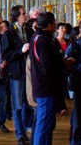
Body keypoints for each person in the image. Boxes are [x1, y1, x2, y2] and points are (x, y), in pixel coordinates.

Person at [30, 11, 70, 145]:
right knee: (43, 125)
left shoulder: (42, 38)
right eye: (54, 23)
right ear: (49, 25)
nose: (55, 25)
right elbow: (47, 66)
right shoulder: (41, 40)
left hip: (47, 86)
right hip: (45, 87)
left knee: (47, 125)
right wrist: (62, 64)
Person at [1, 5, 33, 144]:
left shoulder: (28, 29)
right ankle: (19, 133)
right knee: (17, 105)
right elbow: (6, 55)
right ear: (16, 16)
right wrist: (21, 50)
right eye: (23, 13)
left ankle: (26, 129)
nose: (26, 15)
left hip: (29, 72)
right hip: (16, 73)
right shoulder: (8, 34)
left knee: (28, 103)